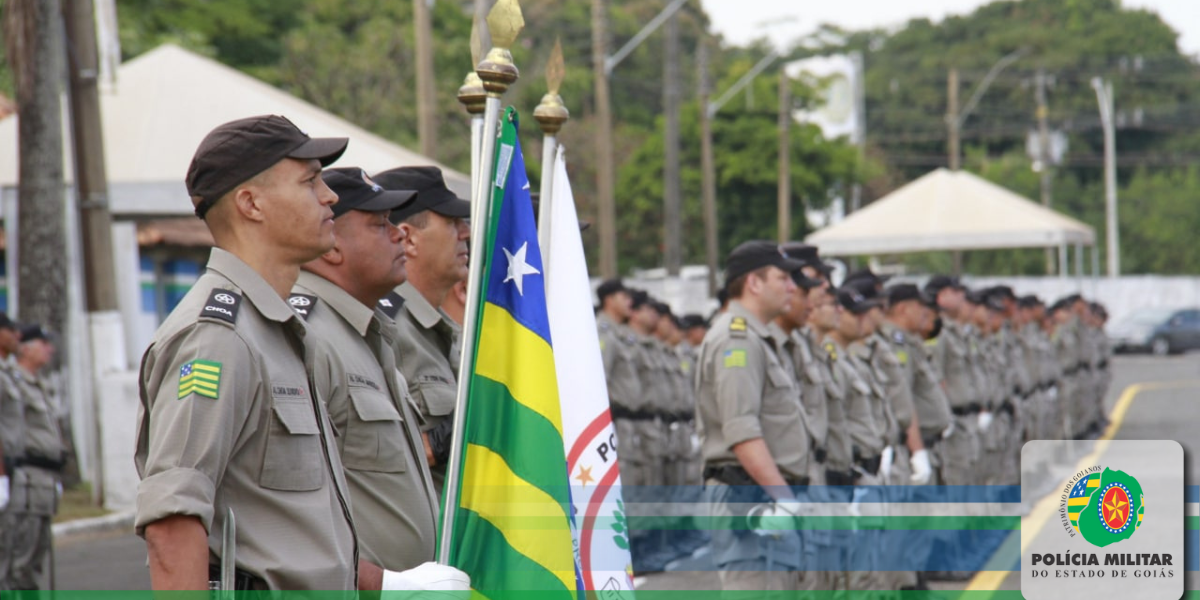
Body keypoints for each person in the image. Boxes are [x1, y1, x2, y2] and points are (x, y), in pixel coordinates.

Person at [134, 115, 360, 591]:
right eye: (310, 181)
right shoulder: (217, 337)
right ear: (251, 204)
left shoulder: (275, 330)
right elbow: (173, 526)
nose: (330, 195)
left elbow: (291, 533)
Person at [291, 167, 468, 591]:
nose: (395, 236)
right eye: (379, 224)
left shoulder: (369, 332)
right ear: (333, 246)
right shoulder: (310, 333)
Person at [695, 240, 812, 591]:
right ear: (754, 283)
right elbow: (742, 432)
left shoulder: (757, 339)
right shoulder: (738, 340)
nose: (792, 287)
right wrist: (785, 500)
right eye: (783, 277)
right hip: (751, 500)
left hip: (765, 500)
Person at [372, 166, 470, 495]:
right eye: (452, 223)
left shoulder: (442, 329)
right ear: (409, 238)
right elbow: (386, 457)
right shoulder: (386, 328)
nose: (466, 233)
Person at [6, 325, 60, 590]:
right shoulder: (13, 379)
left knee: (36, 560)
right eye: (42, 343)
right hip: (26, 477)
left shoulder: (41, 383)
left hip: (45, 479)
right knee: (20, 562)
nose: (49, 349)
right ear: (25, 347)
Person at [0, 313, 23, 589]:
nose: (18, 337)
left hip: (15, 471)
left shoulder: (8, 373)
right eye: (10, 330)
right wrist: (1, 477)